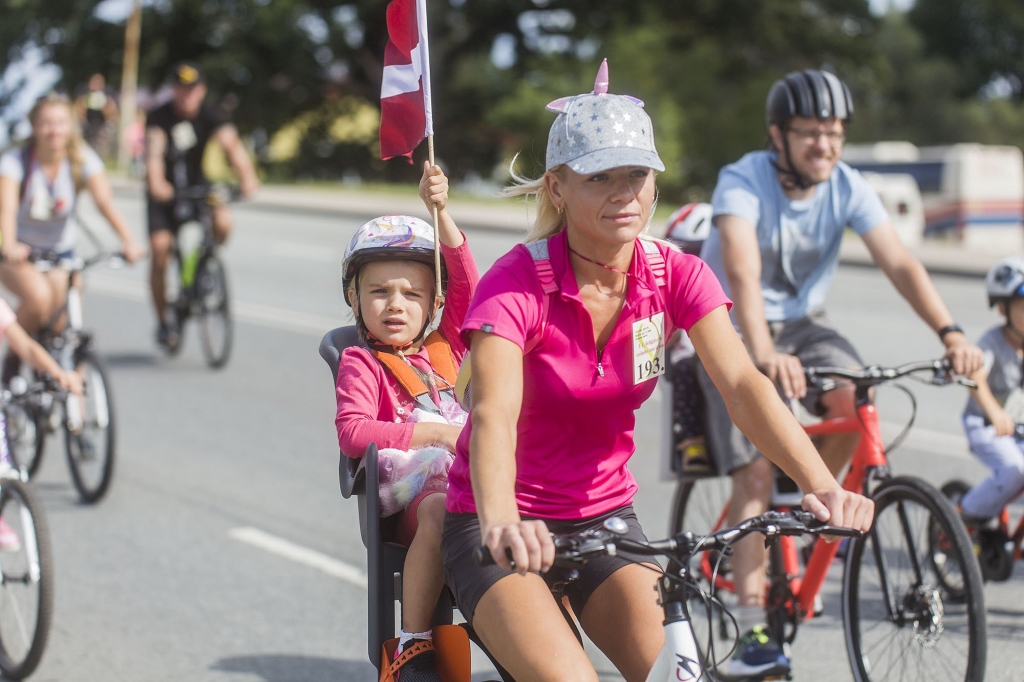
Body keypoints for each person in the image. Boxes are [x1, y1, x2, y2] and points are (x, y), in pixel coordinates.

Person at [439, 60, 874, 682]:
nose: (623, 193)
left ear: (655, 184)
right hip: (503, 524)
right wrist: (502, 518)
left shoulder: (676, 274)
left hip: (607, 521)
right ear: (557, 188)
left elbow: (744, 386)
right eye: (600, 177)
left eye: (636, 174)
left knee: (680, 677)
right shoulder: (517, 281)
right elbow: (493, 413)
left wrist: (821, 486)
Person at [697, 68, 985, 679]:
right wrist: (765, 351)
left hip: (804, 322)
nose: (824, 146)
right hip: (728, 323)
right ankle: (751, 627)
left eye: (834, 133)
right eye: (810, 134)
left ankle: (807, 509)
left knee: (859, 396)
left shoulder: (847, 184)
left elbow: (900, 262)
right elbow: (743, 275)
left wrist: (951, 333)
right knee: (752, 472)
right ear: (778, 135)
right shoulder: (742, 181)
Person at [335, 163, 478, 682]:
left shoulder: (450, 344)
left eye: (413, 294)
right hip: (413, 493)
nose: (396, 305)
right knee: (442, 511)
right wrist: (436, 433)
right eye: (379, 292)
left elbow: (469, 282)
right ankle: (414, 643)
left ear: (436, 303)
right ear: (354, 297)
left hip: (474, 480)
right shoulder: (362, 361)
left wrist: (441, 214)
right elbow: (353, 431)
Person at [0, 92, 144, 382]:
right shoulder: (17, 161)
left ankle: (71, 404)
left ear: (71, 126)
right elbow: (7, 207)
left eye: (61, 122)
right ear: (34, 126)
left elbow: (105, 203)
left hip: (61, 254)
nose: (54, 130)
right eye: (46, 123)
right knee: (39, 299)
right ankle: (16, 357)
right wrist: (10, 245)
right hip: (21, 254)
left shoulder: (80, 159)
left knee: (66, 321)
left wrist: (129, 241)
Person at [145, 61, 259, 349]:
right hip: (165, 195)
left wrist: (247, 177)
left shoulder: (211, 115)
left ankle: (204, 263)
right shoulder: (159, 117)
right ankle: (163, 323)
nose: (187, 96)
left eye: (192, 90)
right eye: (181, 90)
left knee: (223, 220)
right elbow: (154, 154)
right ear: (173, 90)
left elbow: (232, 147)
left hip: (198, 188)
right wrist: (158, 182)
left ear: (201, 90)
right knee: (160, 252)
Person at [960, 257, 1024, 524]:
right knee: (1015, 471)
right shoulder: (993, 342)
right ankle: (962, 518)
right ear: (1002, 308)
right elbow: (975, 376)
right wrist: (995, 413)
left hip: (1019, 427)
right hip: (988, 426)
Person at [75, 74, 118, 158]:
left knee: (102, 143)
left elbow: (112, 112)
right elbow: (78, 109)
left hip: (102, 124)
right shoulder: (84, 93)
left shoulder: (107, 94)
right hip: (88, 124)